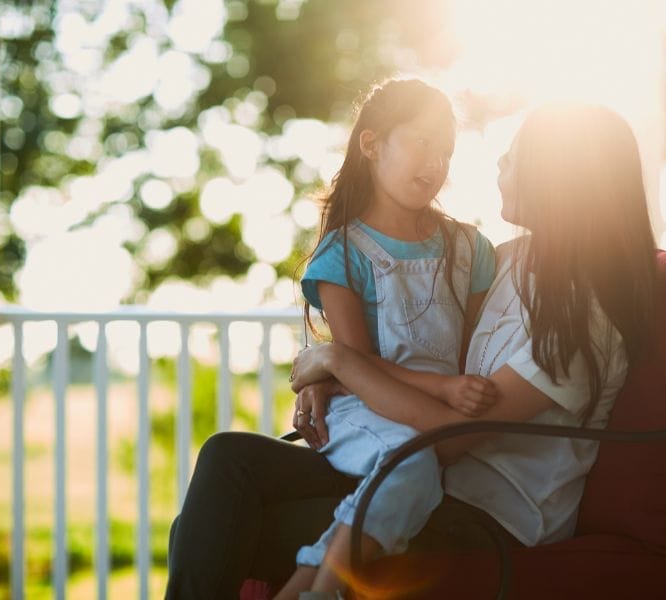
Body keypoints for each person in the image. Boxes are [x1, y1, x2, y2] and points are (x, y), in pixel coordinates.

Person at [166, 103, 657, 599]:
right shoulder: (510, 260)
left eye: (513, 158)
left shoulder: (585, 316)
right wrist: (326, 375)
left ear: (558, 176)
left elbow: (453, 440)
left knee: (219, 528)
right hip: (430, 479)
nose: (499, 166)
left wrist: (338, 362)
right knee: (227, 458)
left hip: (490, 514)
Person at [165, 78, 497, 600]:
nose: (436, 161)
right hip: (365, 415)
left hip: (428, 435)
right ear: (372, 145)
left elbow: (480, 349)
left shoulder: (470, 249)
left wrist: (333, 368)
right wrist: (437, 388)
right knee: (224, 453)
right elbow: (356, 364)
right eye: (422, 141)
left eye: (447, 150)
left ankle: (315, 585)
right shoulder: (344, 252)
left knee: (407, 460)